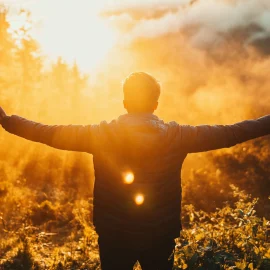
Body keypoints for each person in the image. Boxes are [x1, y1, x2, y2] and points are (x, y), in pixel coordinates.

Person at [0, 72, 269, 270]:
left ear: (125, 102)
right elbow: (233, 132)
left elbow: (49, 133)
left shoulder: (100, 135)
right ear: (156, 104)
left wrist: (7, 121)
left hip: (114, 234)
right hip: (160, 235)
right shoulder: (179, 137)